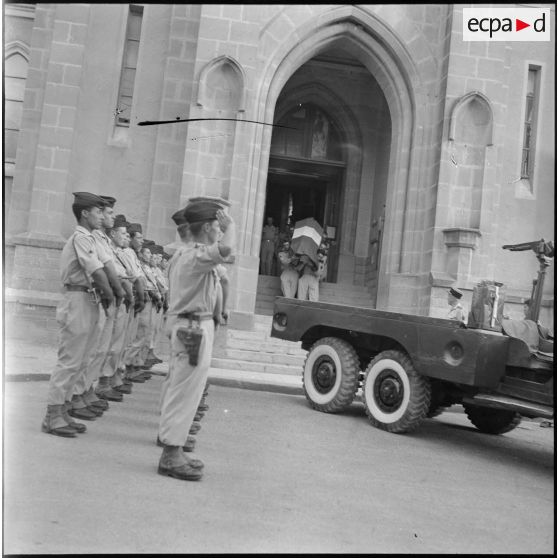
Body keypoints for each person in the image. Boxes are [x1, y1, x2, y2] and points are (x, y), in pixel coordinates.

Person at [158, 199, 235, 481]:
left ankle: (174, 450)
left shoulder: (191, 254)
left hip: (195, 326)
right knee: (184, 391)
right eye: (217, 226)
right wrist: (233, 227)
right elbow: (226, 250)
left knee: (187, 391)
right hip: (192, 329)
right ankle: (170, 454)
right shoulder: (194, 256)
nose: (220, 231)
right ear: (207, 227)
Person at [41, 192, 114, 437]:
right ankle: (52, 415)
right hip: (77, 299)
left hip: (88, 299)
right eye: (97, 212)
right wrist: (111, 295)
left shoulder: (92, 239)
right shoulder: (80, 238)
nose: (102, 217)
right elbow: (97, 271)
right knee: (70, 359)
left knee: (83, 359)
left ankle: (64, 409)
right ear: (85, 213)